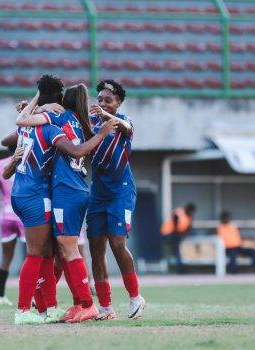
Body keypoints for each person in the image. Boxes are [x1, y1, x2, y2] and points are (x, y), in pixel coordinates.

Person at [7, 77, 117, 325]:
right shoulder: (77, 121)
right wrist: (39, 106)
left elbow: (17, 128)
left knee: (62, 250)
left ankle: (82, 304)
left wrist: (38, 107)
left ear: (60, 104)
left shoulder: (55, 121)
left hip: (63, 191)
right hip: (70, 189)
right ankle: (65, 305)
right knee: (57, 250)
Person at [86, 79, 145, 321]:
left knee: (117, 243)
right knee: (96, 249)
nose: (102, 104)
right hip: (97, 193)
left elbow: (126, 128)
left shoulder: (125, 123)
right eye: (99, 99)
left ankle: (135, 297)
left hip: (121, 192)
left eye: (108, 100)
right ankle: (106, 307)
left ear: (118, 103)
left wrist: (108, 116)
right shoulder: (91, 124)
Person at [0, 145, 25, 306]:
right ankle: (29, 296)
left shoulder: (0, 164)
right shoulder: (27, 160)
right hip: (24, 215)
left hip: (6, 215)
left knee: (5, 257)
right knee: (31, 257)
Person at [160, 202, 196, 270]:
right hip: (167, 232)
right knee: (175, 249)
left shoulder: (189, 218)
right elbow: (175, 219)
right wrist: (178, 230)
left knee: (177, 249)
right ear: (187, 208)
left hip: (176, 234)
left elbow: (187, 229)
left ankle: (179, 265)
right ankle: (179, 266)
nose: (191, 212)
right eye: (190, 210)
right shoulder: (180, 211)